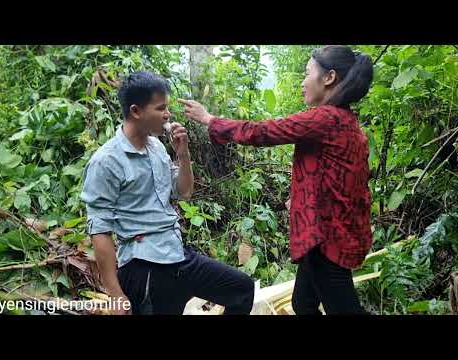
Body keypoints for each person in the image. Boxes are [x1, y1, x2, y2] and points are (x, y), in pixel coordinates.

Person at [180, 45, 374, 314]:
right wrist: (301, 197)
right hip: (329, 231)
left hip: (326, 237)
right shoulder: (347, 123)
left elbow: (263, 132)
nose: (303, 82)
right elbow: (344, 181)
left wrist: (210, 119)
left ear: (329, 78)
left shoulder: (325, 118)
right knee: (302, 304)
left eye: (307, 74)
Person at [81, 71, 254, 315]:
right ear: (136, 111)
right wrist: (115, 294)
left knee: (242, 289)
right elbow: (100, 230)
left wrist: (183, 154)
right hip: (145, 266)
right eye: (161, 108)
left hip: (176, 254)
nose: (167, 114)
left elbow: (184, 193)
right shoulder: (106, 161)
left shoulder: (157, 148)